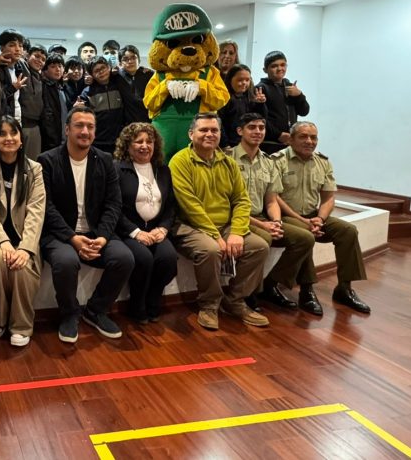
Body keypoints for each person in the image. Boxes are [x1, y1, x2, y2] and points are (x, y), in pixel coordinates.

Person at [39, 107, 134, 343]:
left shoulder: (105, 161)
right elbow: (46, 207)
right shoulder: (47, 161)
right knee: (65, 261)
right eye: (79, 125)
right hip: (60, 235)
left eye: (90, 127)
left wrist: (102, 237)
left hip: (96, 232)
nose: (85, 131)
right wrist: (72, 238)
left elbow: (114, 204)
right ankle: (69, 314)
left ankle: (95, 310)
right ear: (67, 129)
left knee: (124, 258)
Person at [169, 113, 270, 330]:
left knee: (259, 247)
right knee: (210, 250)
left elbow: (241, 200)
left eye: (214, 130)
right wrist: (215, 236)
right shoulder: (179, 162)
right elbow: (190, 206)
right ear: (191, 133)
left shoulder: (228, 163)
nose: (209, 134)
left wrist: (236, 231)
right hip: (189, 226)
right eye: (203, 130)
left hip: (225, 226)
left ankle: (234, 300)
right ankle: (209, 304)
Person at [225, 114, 320, 315]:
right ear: (240, 131)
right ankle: (250, 292)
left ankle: (271, 284)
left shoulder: (268, 162)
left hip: (262, 217)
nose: (258, 131)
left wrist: (276, 221)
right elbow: (227, 204)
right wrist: (264, 227)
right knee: (265, 238)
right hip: (236, 217)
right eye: (252, 127)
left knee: (305, 238)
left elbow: (271, 199)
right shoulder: (227, 159)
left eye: (261, 127)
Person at [275, 121, 370, 313]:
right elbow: (274, 197)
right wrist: (305, 221)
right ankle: (307, 290)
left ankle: (345, 288)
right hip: (286, 215)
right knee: (305, 233)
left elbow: (328, 197)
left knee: (348, 231)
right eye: (303, 136)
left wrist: (320, 218)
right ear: (291, 140)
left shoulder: (322, 162)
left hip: (312, 216)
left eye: (314, 137)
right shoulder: (277, 161)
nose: (309, 141)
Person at [0, 117, 46, 346]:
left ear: (21, 139)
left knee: (22, 267)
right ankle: (0, 318)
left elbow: (37, 211)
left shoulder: (35, 169)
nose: (8, 139)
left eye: (13, 133)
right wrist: (4, 242)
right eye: (2, 134)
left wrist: (25, 248)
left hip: (26, 238)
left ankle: (21, 325)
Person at [113, 123, 179, 323]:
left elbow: (170, 206)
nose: (144, 146)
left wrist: (163, 228)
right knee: (143, 258)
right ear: (127, 145)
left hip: (156, 231)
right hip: (128, 231)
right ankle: (137, 304)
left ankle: (153, 299)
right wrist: (135, 232)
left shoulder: (163, 170)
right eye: (138, 141)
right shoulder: (117, 170)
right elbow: (113, 208)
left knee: (168, 259)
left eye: (149, 141)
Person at [256, 51, 310, 154]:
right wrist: (278, 135)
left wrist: (299, 95)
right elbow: (260, 118)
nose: (280, 68)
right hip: (269, 144)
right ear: (265, 70)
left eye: (283, 65)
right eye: (274, 66)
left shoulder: (290, 86)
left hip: (290, 143)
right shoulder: (260, 89)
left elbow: (304, 111)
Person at [79, 57, 131, 153]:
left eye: (103, 68)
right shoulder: (88, 92)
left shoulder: (119, 85)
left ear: (109, 67)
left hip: (119, 139)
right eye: (97, 70)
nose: (101, 72)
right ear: (92, 75)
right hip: (98, 142)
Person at [218, 64, 267, 148]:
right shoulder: (224, 99)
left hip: (248, 144)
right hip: (230, 145)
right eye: (240, 80)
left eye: (247, 80)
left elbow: (262, 120)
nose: (244, 83)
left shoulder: (251, 98)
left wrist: (260, 104)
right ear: (230, 80)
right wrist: (225, 144)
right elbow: (219, 123)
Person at [118, 45, 154, 124]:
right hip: (127, 125)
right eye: (125, 59)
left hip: (149, 122)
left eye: (133, 57)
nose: (130, 61)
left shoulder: (149, 75)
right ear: (120, 63)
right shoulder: (117, 77)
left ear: (139, 59)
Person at [40, 54, 68, 152]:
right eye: (53, 66)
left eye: (60, 66)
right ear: (45, 69)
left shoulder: (61, 87)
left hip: (63, 138)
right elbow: (47, 116)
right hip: (51, 141)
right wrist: (52, 141)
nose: (57, 69)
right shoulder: (44, 86)